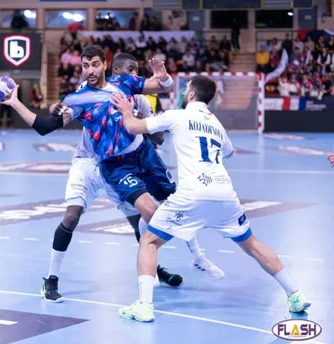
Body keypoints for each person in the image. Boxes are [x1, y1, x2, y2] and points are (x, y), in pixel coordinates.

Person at [3, 46, 224, 299]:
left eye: (94, 65)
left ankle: (164, 266)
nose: (90, 71)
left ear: (105, 65)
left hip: (130, 158)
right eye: (85, 66)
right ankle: (51, 278)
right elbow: (44, 126)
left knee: (148, 216)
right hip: (93, 163)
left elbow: (162, 87)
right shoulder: (79, 98)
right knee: (73, 216)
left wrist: (162, 76)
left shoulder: (125, 84)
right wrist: (15, 103)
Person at [109, 74, 311, 322]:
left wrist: (128, 111)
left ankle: (144, 306)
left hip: (192, 193)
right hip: (224, 193)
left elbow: (132, 128)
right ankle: (295, 294)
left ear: (191, 94)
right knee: (253, 245)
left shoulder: (178, 115)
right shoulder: (216, 124)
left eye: (186, 90)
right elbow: (228, 152)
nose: (183, 93)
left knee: (149, 242)